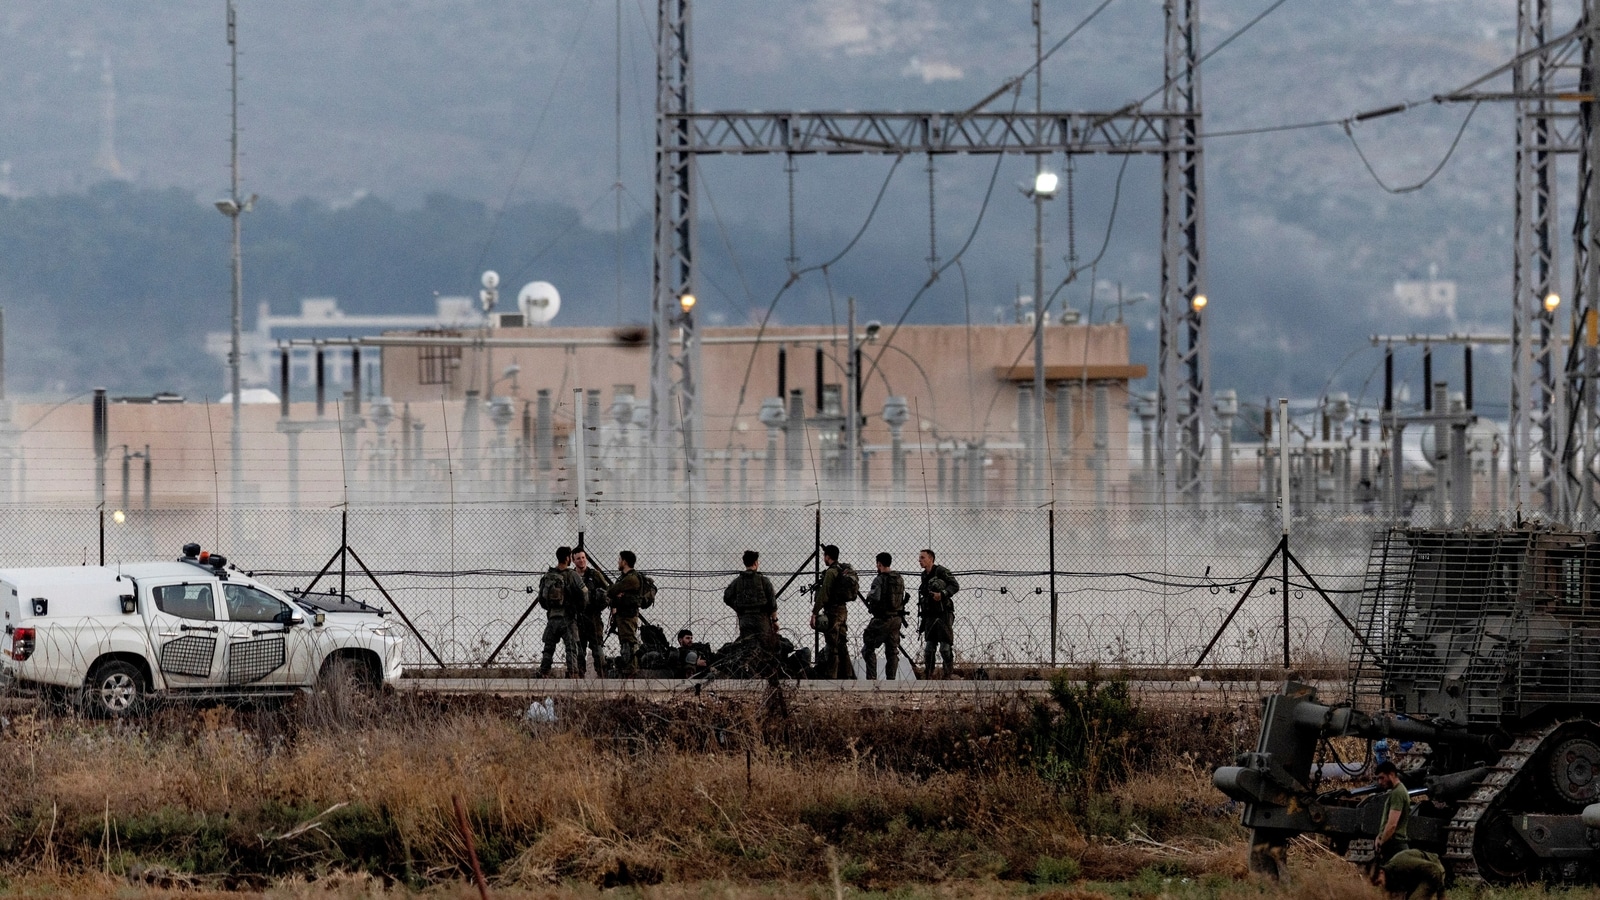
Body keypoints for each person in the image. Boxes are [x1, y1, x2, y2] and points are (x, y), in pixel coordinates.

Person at [812, 544, 856, 679]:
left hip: (833, 611)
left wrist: (814, 612)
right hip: (842, 610)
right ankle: (848, 675)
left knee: (832, 644)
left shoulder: (831, 572)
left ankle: (832, 675)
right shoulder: (841, 570)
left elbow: (824, 594)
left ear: (827, 556)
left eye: (824, 556)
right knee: (842, 642)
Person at [861, 551, 907, 680]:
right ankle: (891, 680)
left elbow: (875, 597)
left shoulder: (879, 579)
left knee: (868, 649)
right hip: (896, 619)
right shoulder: (899, 579)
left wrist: (869, 597)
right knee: (892, 652)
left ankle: (872, 679)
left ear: (879, 564)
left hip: (882, 620)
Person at [537, 546, 582, 678]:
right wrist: (578, 608)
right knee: (571, 647)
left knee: (548, 647)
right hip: (568, 617)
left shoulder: (548, 576)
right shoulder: (572, 575)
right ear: (568, 558)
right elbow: (583, 595)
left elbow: (541, 598)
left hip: (552, 617)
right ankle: (573, 674)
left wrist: (551, 609)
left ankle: (544, 672)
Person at [916, 548, 959, 679]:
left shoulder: (941, 571)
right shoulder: (924, 575)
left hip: (944, 613)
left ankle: (948, 674)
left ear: (931, 559)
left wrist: (942, 594)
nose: (920, 560)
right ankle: (928, 674)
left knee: (945, 648)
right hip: (930, 614)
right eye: (919, 558)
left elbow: (955, 585)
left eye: (923, 558)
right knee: (929, 648)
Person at [723, 550, 777, 647]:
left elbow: (727, 597)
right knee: (764, 647)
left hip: (745, 618)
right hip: (761, 618)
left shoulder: (737, 581)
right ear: (756, 562)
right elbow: (772, 602)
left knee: (748, 647)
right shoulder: (763, 580)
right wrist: (774, 620)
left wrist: (737, 607)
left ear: (745, 563)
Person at [572, 548, 610, 677]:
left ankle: (602, 674)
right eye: (578, 558)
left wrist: (605, 605)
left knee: (597, 647)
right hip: (577, 617)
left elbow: (608, 592)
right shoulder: (571, 576)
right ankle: (579, 675)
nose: (581, 561)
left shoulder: (595, 575)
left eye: (583, 558)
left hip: (593, 617)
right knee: (579, 649)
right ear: (573, 561)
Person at [606, 550, 645, 676]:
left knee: (629, 643)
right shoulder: (624, 578)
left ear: (625, 561)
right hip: (623, 615)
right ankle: (629, 669)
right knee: (625, 642)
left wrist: (618, 594)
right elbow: (614, 593)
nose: (618, 562)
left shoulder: (631, 578)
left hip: (628, 616)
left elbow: (612, 590)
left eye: (619, 560)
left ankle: (631, 670)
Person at [1374, 761, 1411, 865]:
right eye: (1378, 779)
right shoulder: (1397, 791)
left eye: (1382, 778)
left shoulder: (1398, 793)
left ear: (1391, 774)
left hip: (1395, 845)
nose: (1380, 782)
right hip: (1393, 844)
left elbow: (1392, 825)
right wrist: (1379, 836)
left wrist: (1381, 842)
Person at [1378, 848, 1445, 899]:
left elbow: (1434, 869)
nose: (1379, 885)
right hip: (1420, 876)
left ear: (1381, 872)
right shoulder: (1390, 874)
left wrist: (1441, 894)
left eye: (1379, 882)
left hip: (1433, 870)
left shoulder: (1400, 864)